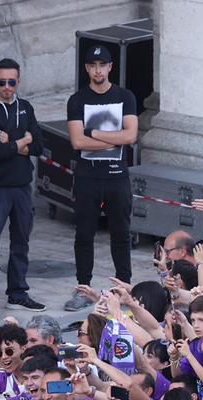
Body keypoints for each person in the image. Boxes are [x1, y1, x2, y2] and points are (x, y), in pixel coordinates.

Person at [63, 44, 139, 313]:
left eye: (102, 65)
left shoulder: (124, 96)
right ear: (87, 69)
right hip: (88, 176)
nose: (98, 70)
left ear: (110, 67)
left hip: (117, 176)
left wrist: (94, 134)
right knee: (84, 234)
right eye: (93, 66)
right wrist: (111, 137)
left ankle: (124, 287)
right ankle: (83, 287)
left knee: (121, 232)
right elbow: (75, 140)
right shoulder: (78, 100)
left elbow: (130, 136)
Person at [0, 58, 45, 319]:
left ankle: (18, 293)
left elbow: (39, 144)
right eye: (2, 82)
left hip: (22, 188)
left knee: (21, 242)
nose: (6, 87)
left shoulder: (25, 107)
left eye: (11, 82)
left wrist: (14, 140)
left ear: (18, 82)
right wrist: (23, 139)